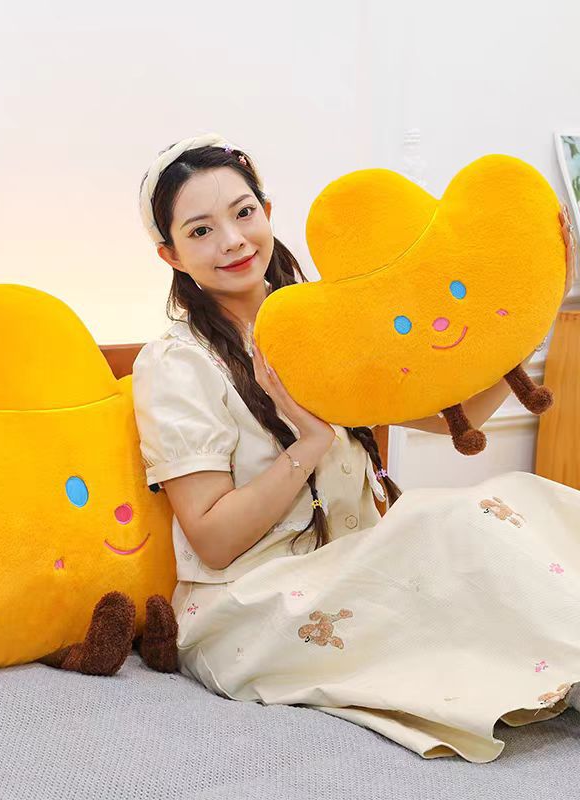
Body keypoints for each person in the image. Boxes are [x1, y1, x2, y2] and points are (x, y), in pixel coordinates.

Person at [131, 132, 580, 762]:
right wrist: (310, 442)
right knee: (453, 528)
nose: (231, 240)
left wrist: (540, 301)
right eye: (200, 231)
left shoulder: (326, 325)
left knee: (522, 502)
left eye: (243, 212)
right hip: (254, 605)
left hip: (360, 563)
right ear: (170, 255)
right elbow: (212, 539)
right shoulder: (176, 364)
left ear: (266, 211)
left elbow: (447, 415)